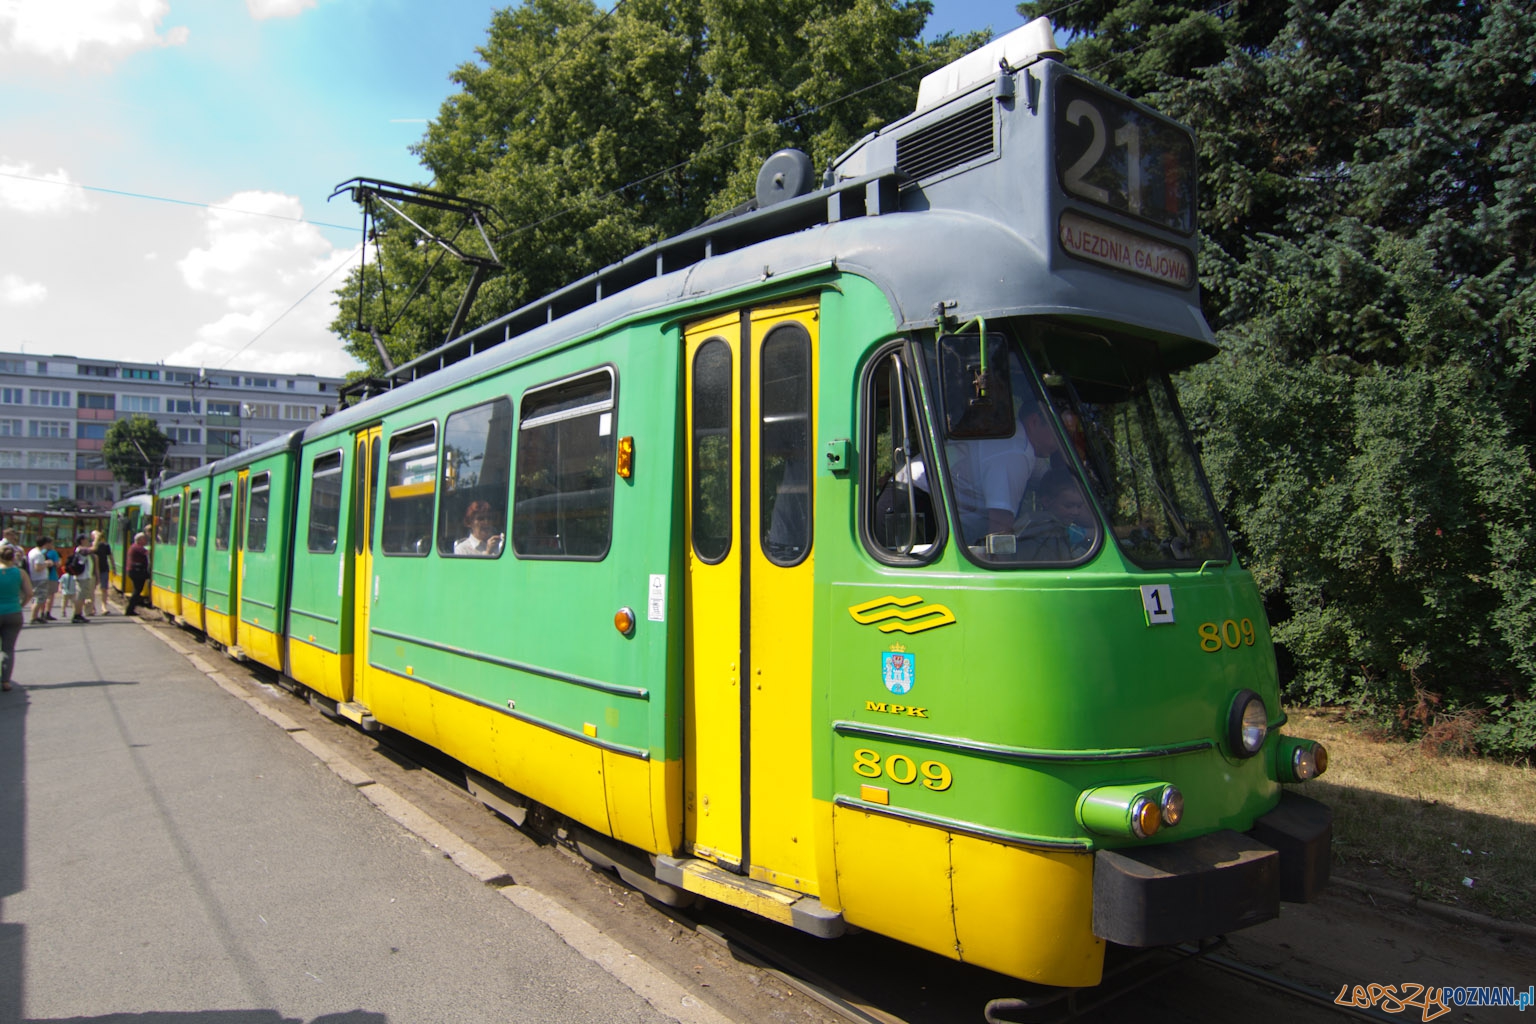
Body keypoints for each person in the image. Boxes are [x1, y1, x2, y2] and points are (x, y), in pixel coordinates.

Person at [946, 401, 1037, 546]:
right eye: (1064, 431)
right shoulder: (1014, 453)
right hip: (925, 505)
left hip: (943, 506)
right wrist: (1002, 563)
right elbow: (1000, 524)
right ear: (1034, 422)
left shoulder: (1017, 438)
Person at [1014, 467, 1098, 562]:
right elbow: (1074, 533)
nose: (1075, 512)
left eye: (1079, 506)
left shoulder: (1033, 520)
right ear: (1046, 501)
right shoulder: (1044, 525)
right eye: (1068, 506)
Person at [0, 544, 33, 691]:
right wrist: (21, 605)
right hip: (14, 612)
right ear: (13, 557)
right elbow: (29, 594)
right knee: (8, 649)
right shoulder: (20, 573)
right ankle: (6, 681)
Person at [70, 535, 96, 623]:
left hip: (84, 577)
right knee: (80, 596)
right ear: (82, 541)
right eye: (86, 540)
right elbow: (94, 549)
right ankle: (76, 615)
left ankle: (78, 614)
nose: (88, 541)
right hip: (83, 577)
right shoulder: (81, 550)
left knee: (82, 596)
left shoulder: (81, 550)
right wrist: (97, 538)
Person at [27, 537, 52, 624]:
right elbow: (37, 567)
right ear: (45, 544)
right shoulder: (38, 554)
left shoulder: (32, 551)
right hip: (40, 578)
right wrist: (47, 563)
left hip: (35, 578)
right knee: (39, 598)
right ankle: (33, 617)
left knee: (37, 598)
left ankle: (36, 616)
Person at [125, 532, 151, 615]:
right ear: (139, 540)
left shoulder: (134, 547)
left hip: (135, 571)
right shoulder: (138, 547)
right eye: (144, 539)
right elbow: (148, 553)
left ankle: (131, 608)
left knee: (137, 590)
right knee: (137, 590)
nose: (146, 540)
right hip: (137, 571)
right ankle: (130, 609)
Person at [92, 529, 115, 613]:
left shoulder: (105, 545)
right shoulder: (91, 546)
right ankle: (92, 607)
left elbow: (110, 557)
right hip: (93, 570)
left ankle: (103, 607)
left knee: (104, 588)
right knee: (92, 589)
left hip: (104, 569)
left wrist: (114, 567)